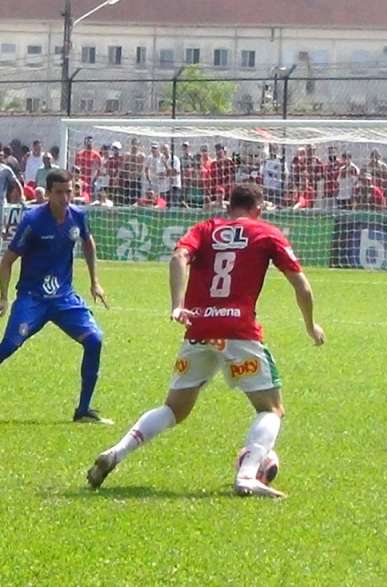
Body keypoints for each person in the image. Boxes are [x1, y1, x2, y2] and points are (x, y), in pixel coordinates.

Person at [85, 182, 325, 498]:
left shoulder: (205, 228)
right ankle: (248, 475)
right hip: (239, 332)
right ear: (258, 208)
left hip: (199, 329)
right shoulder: (266, 232)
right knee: (271, 409)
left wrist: (177, 304)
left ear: (229, 205)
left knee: (174, 409)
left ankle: (117, 451)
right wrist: (310, 326)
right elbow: (302, 286)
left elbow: (178, 257)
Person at [0, 169, 111, 424]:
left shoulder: (78, 217)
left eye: (69, 192)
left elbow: (88, 244)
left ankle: (83, 410)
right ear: (49, 193)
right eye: (59, 193)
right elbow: (8, 261)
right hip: (32, 299)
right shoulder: (33, 220)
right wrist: (3, 297)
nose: (65, 198)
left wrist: (95, 282)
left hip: (64, 298)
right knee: (9, 345)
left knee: (95, 340)